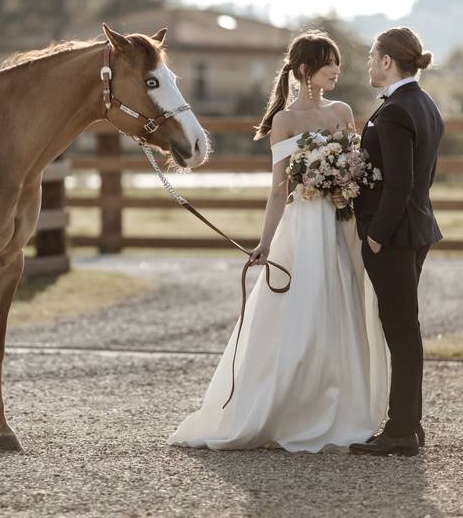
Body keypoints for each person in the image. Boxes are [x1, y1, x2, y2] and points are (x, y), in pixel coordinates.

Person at [168, 30, 389, 452]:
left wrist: (346, 184)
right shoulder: (284, 122)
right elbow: (277, 189)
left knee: (338, 310)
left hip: (340, 224)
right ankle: (288, 409)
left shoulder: (343, 112)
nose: (337, 70)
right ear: (305, 69)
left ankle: (339, 406)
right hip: (303, 228)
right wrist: (265, 243)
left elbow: (358, 168)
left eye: (338, 63)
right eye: (329, 63)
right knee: (300, 315)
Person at [349, 27, 443, 457]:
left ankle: (402, 429)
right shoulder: (424, 104)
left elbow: (401, 181)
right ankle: (409, 424)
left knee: (401, 331)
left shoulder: (395, 111)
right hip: (416, 228)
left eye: (372, 56)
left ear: (388, 61)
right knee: (405, 329)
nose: (369, 62)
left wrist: (376, 235)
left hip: (395, 236)